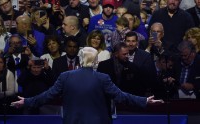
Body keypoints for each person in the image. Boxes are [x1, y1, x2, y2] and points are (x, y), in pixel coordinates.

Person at [11, 47, 164, 124]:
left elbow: (47, 95)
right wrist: (145, 101)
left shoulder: (65, 77)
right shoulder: (103, 78)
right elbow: (122, 96)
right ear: (96, 61)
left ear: (80, 60)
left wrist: (26, 101)